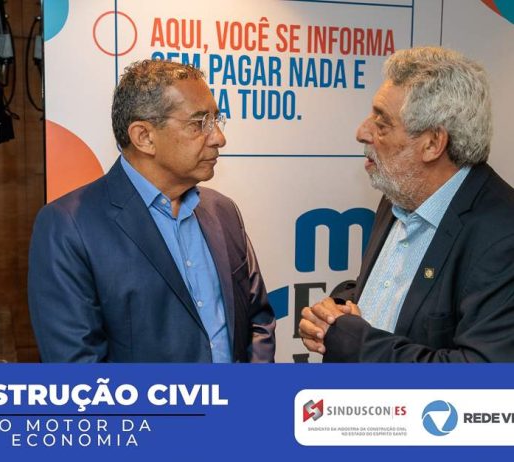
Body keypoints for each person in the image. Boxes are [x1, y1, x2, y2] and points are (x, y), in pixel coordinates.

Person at [28, 59, 275, 362]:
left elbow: (257, 321)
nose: (219, 138)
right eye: (199, 124)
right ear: (144, 137)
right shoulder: (68, 226)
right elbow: (78, 367)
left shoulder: (223, 211)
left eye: (216, 120)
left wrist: (251, 389)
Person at [299, 46, 514, 362]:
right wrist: (336, 313)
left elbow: (479, 376)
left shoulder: (503, 238)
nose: (362, 132)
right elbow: (398, 294)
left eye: (382, 123)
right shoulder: (400, 191)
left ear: (432, 144)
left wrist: (353, 341)